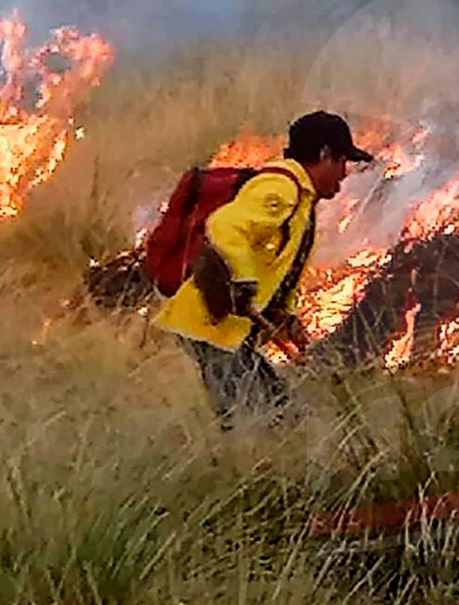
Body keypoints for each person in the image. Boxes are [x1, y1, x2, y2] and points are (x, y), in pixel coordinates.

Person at [155, 111, 373, 430]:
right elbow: (224, 226)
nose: (344, 174)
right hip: (210, 328)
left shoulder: (299, 197)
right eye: (342, 162)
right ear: (325, 154)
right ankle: (248, 472)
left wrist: (284, 314)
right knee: (254, 423)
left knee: (286, 417)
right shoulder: (280, 188)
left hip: (229, 331)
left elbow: (279, 264)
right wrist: (244, 281)